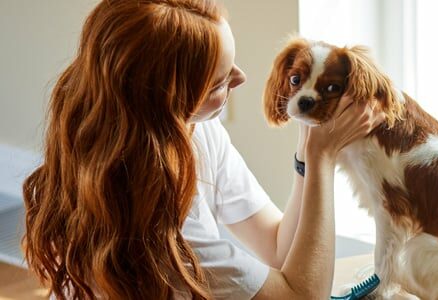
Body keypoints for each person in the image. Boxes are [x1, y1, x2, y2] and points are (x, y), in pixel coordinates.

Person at [20, 0, 382, 298]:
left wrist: (306, 149)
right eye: (219, 83)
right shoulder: (157, 226)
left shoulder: (194, 131)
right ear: (169, 102)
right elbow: (303, 297)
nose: (241, 78)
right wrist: (323, 158)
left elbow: (274, 245)